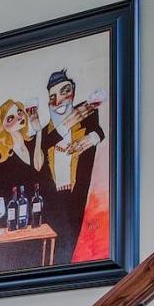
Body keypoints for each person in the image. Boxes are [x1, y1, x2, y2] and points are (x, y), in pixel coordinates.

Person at [36, 69, 105, 262]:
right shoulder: (45, 132)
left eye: (65, 91)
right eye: (53, 97)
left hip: (79, 195)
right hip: (54, 201)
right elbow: (40, 153)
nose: (58, 101)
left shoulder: (85, 116)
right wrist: (65, 125)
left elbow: (101, 128)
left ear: (73, 92)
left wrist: (92, 137)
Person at [0, 98, 38, 226]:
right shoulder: (3, 155)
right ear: (2, 128)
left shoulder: (34, 142)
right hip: (21, 217)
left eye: (19, 112)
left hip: (43, 210)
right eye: (10, 118)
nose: (19, 117)